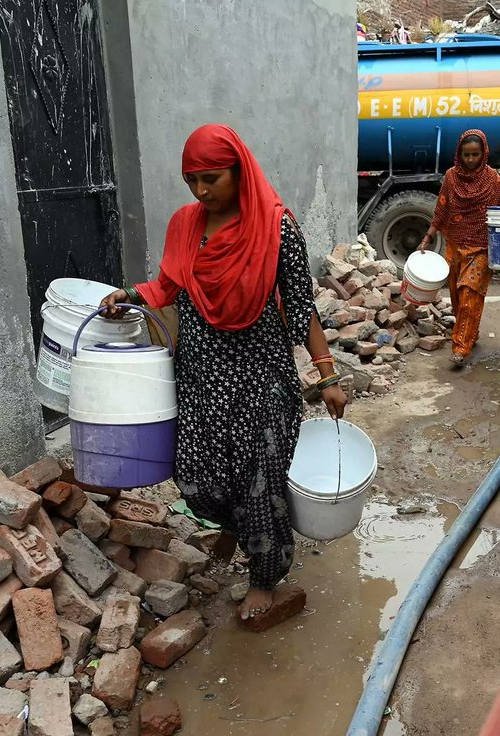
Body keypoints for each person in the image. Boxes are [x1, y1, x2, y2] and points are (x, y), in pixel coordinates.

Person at [99, 125, 348, 622]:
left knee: (260, 480)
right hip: (200, 378)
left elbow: (300, 309)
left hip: (260, 379)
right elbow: (170, 285)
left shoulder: (276, 228)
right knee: (196, 480)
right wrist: (128, 296)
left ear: (239, 170)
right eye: (191, 180)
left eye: (211, 178)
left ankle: (264, 574)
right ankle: (237, 527)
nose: (200, 191)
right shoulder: (186, 225)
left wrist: (328, 376)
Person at [417, 129, 500, 366]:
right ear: (459, 154)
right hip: (455, 245)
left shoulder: (494, 179)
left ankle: (460, 347)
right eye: (467, 155)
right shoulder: (451, 177)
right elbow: (441, 209)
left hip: (481, 247)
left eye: (475, 155)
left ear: (484, 154)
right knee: (458, 298)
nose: (471, 160)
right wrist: (427, 239)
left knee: (469, 292)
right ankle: (471, 334)